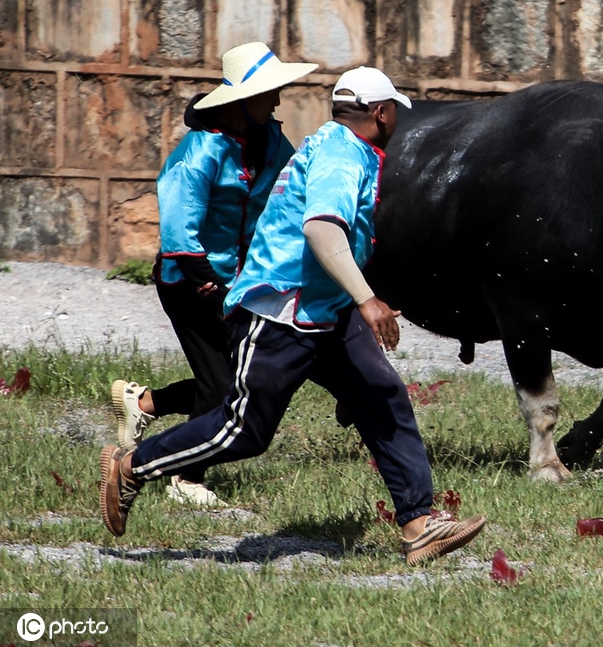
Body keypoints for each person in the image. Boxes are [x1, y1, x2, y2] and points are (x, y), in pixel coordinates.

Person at [98, 66, 487, 565]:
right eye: (395, 114)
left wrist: (359, 299)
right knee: (245, 431)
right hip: (282, 308)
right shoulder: (342, 156)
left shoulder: (337, 144)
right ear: (382, 113)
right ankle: (131, 465)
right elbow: (323, 230)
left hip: (326, 309)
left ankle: (419, 524)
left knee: (382, 397)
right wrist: (368, 300)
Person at [109, 42, 317, 506]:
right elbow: (178, 219)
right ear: (243, 99)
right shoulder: (201, 149)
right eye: (270, 93)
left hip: (234, 282)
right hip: (189, 281)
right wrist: (202, 274)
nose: (278, 100)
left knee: (236, 378)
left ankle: (143, 404)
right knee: (223, 385)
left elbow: (290, 189)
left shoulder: (270, 141)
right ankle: (185, 478)